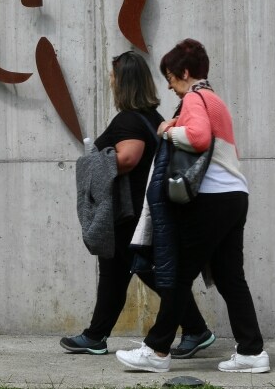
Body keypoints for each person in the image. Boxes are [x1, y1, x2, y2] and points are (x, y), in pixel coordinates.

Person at [115, 39, 269, 374]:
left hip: (212, 199)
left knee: (178, 273)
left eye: (171, 77)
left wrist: (168, 130)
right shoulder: (215, 100)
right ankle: (251, 352)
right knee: (230, 277)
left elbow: (197, 138)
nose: (170, 86)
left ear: (185, 72)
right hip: (235, 195)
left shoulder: (196, 98)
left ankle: (156, 351)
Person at [60, 51, 215, 358]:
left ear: (124, 82)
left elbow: (129, 157)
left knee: (151, 273)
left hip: (132, 215)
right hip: (138, 213)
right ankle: (96, 336)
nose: (110, 80)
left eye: (113, 76)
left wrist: (92, 163)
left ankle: (196, 330)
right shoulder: (152, 118)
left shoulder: (129, 120)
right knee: (116, 274)